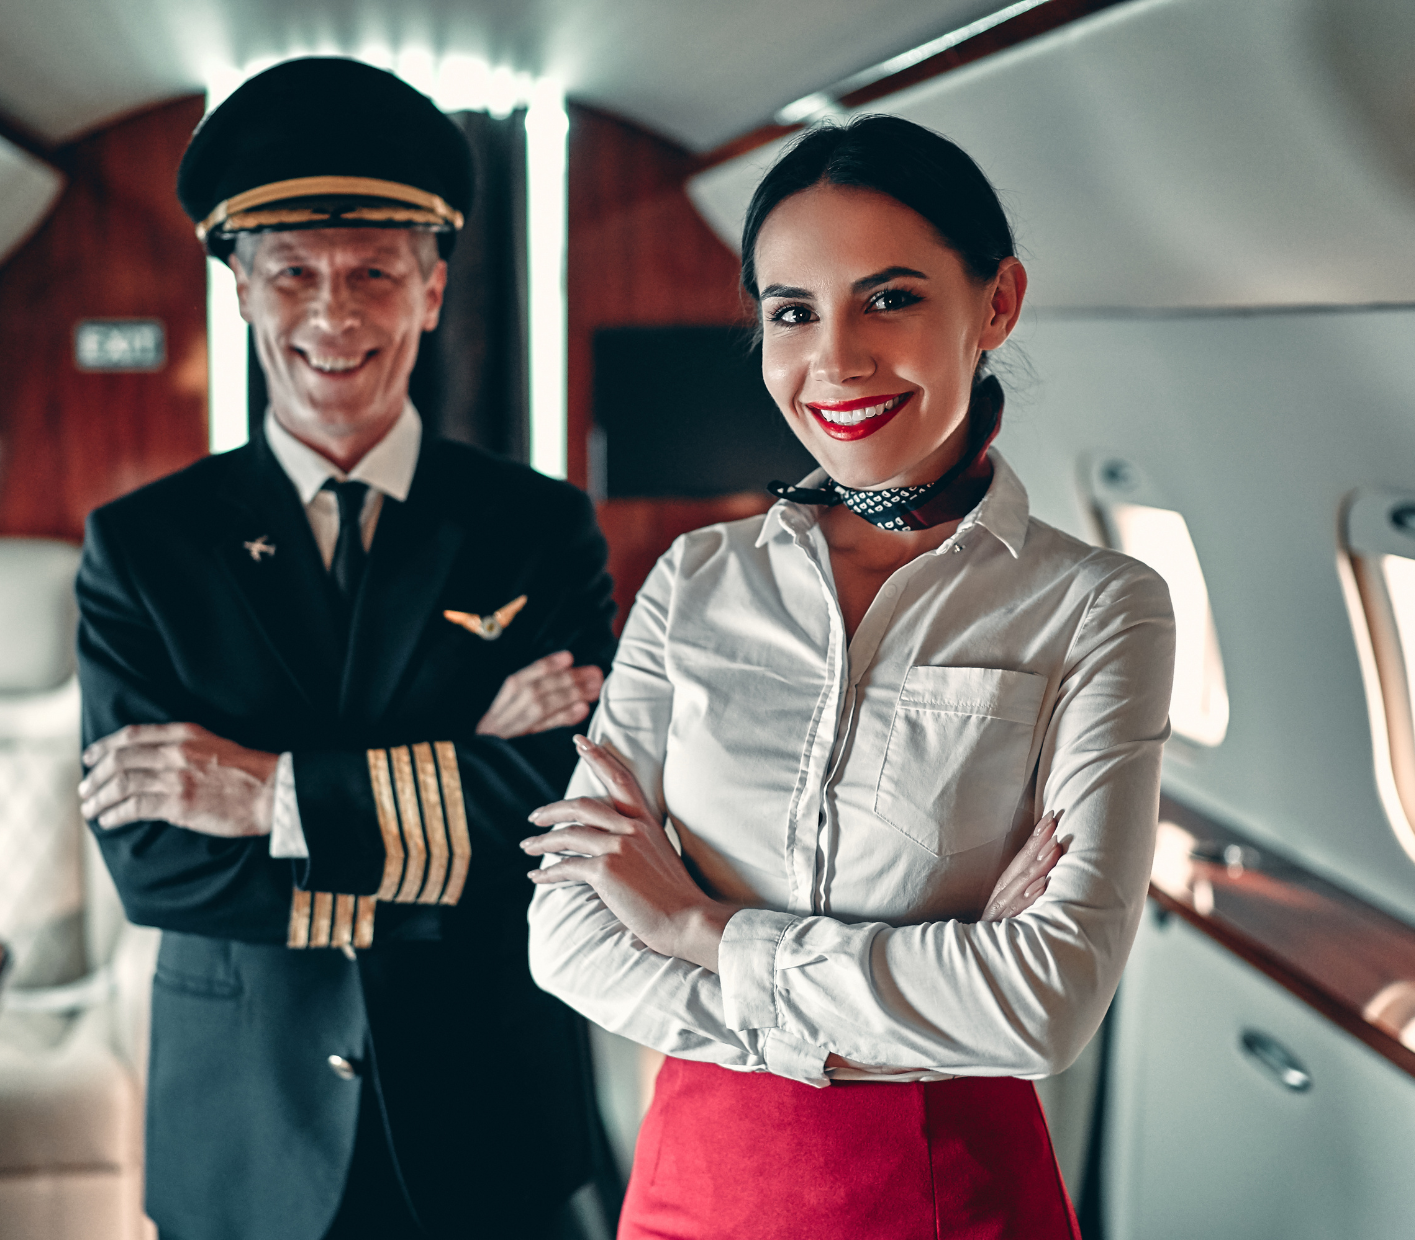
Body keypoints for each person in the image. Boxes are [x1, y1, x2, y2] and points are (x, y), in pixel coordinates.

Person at [524, 115, 1177, 1239]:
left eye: (889, 299)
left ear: (996, 303)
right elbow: (567, 938)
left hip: (951, 1200)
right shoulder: (691, 581)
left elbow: (1040, 1005)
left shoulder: (1096, 607)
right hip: (692, 1192)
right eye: (791, 313)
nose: (834, 360)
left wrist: (695, 926)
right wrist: (930, 978)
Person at [75, 58, 617, 1240]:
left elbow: (560, 821)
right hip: (243, 1116)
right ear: (240, 294)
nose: (335, 313)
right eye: (293, 274)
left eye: (376, 270)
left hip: (488, 1104)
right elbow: (154, 865)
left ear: (431, 291)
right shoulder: (141, 548)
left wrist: (265, 790)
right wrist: (447, 787)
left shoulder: (539, 528)